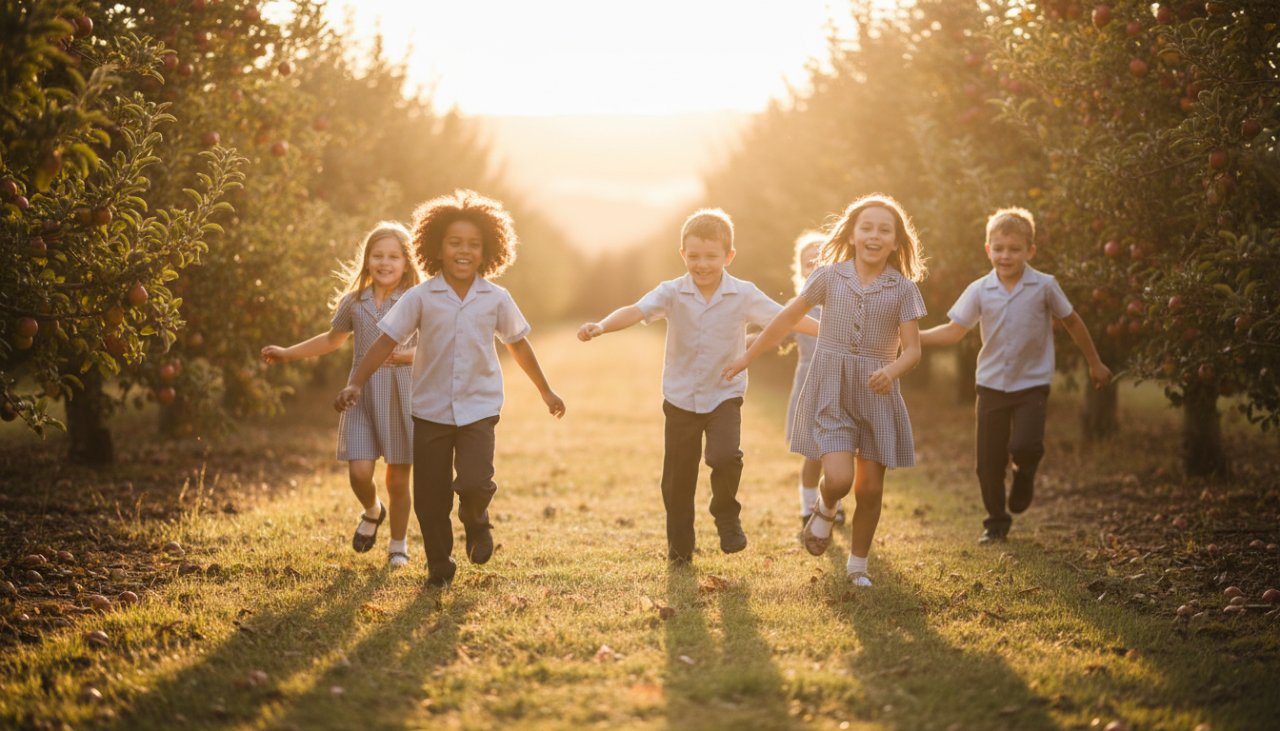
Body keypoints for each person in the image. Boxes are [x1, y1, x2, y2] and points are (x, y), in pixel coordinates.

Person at [335, 190, 566, 588]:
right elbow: (386, 341)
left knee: (475, 482)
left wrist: (545, 391)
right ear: (436, 248)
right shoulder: (422, 297)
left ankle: (477, 524)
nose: (464, 251)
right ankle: (439, 563)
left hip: (480, 407)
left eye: (474, 245)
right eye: (455, 243)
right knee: (430, 496)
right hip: (430, 410)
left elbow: (518, 344)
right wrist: (356, 381)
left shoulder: (496, 298)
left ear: (488, 250)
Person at [578, 208, 818, 563]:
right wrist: (601, 325)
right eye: (694, 257)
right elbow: (636, 310)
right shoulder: (672, 292)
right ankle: (680, 549)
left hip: (724, 393)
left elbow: (787, 320)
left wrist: (833, 332)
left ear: (728, 256)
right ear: (683, 255)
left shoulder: (743, 294)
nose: (702, 264)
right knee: (677, 481)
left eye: (711, 256)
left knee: (724, 456)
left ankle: (725, 514)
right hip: (680, 398)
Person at [723, 194, 927, 587]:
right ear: (851, 234)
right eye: (866, 227)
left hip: (877, 394)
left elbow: (913, 349)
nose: (874, 235)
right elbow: (786, 319)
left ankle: (858, 567)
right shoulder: (829, 277)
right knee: (838, 478)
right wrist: (747, 355)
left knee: (870, 489)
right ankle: (826, 504)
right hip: (831, 388)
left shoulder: (903, 289)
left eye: (884, 230)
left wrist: (893, 369)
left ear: (896, 242)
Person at [919, 207, 1111, 544]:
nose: (1005, 256)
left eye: (1014, 249)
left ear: (1030, 251)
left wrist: (1094, 362)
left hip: (1031, 383)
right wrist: (911, 338)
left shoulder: (1044, 286)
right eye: (999, 248)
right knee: (988, 462)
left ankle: (1025, 475)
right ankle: (995, 522)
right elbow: (953, 331)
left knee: (1026, 445)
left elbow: (1072, 322)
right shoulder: (979, 289)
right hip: (991, 384)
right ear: (988, 249)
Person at [261, 222, 421, 567]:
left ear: (407, 263)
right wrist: (287, 352)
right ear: (367, 260)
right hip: (360, 394)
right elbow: (332, 340)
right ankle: (372, 510)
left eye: (393, 256)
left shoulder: (414, 300)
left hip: (400, 395)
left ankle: (398, 544)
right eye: (377, 255)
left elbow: (438, 346)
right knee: (359, 473)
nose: (385, 262)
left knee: (397, 478)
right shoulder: (355, 302)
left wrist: (408, 355)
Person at [785, 231, 844, 529]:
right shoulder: (800, 306)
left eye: (823, 260)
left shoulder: (844, 303)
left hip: (840, 389)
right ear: (801, 271)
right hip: (808, 389)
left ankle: (832, 503)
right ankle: (808, 505)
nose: (816, 266)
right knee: (812, 453)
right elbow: (777, 332)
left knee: (838, 452)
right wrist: (750, 340)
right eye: (809, 262)